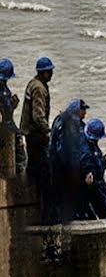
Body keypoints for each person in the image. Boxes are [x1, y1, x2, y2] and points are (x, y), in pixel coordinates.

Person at [47, 98, 88, 223]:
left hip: (55, 165)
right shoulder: (73, 125)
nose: (85, 113)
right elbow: (72, 150)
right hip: (68, 168)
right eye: (83, 110)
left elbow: (53, 145)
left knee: (58, 197)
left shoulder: (59, 120)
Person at [20, 57, 53, 200]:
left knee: (33, 167)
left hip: (29, 132)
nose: (51, 73)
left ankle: (32, 198)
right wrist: (47, 131)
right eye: (49, 71)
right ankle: (43, 207)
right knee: (44, 171)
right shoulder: (39, 88)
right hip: (36, 134)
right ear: (43, 72)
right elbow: (38, 115)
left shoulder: (33, 83)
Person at [79, 118, 106, 220]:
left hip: (94, 183)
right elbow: (88, 166)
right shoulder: (86, 151)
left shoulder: (85, 142)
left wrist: (103, 163)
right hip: (94, 185)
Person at [0, 59, 19, 179]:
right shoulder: (2, 91)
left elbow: (7, 110)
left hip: (8, 128)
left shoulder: (4, 89)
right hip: (4, 132)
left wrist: (12, 104)